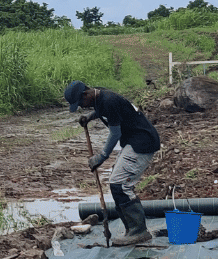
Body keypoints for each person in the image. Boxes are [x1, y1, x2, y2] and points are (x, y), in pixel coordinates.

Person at [65, 80, 160, 247]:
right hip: (134, 140)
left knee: (120, 185)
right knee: (116, 183)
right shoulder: (99, 96)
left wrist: (101, 157)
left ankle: (138, 231)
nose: (81, 106)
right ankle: (131, 230)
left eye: (81, 102)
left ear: (86, 94)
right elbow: (105, 111)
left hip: (142, 142)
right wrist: (90, 117)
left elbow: (115, 133)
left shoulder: (108, 100)